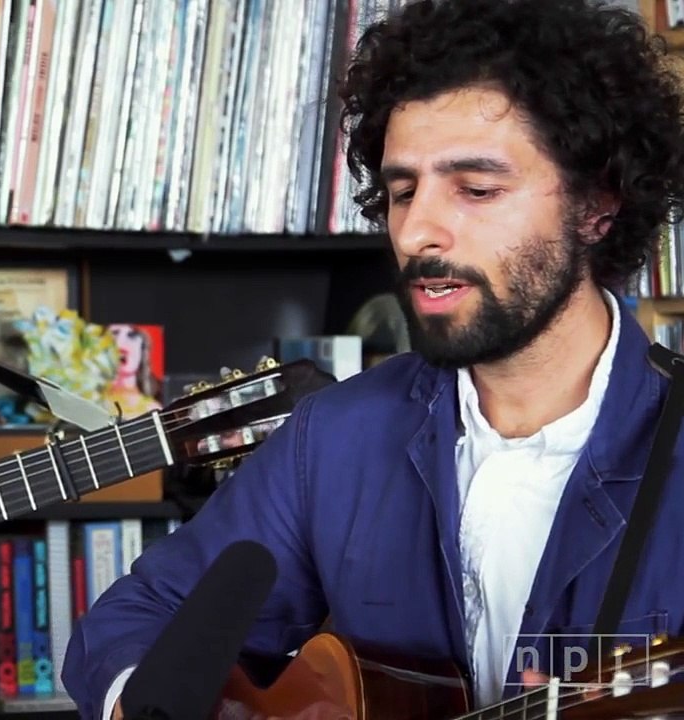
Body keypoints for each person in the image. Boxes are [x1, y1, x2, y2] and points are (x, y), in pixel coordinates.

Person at [61, 0, 684, 717]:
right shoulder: (335, 437)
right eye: (401, 192)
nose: (417, 230)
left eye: (476, 190)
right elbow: (140, 617)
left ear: (596, 205)